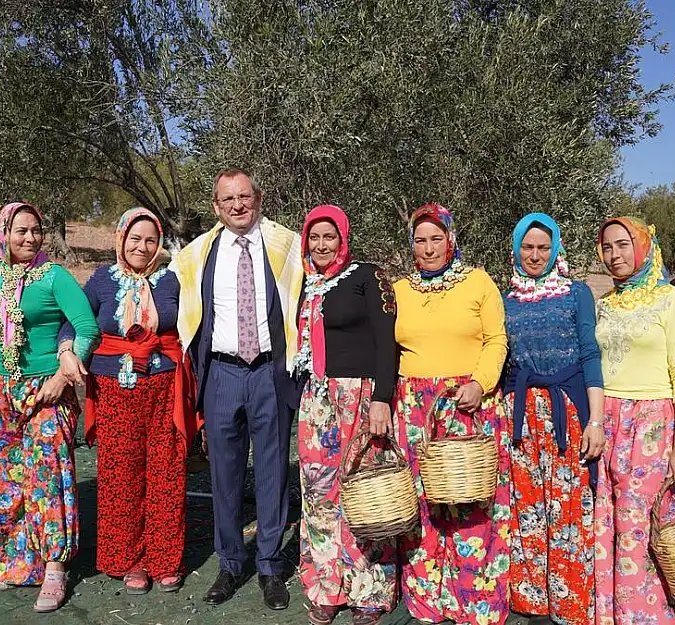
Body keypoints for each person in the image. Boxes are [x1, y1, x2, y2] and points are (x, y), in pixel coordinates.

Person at [168, 168, 304, 610]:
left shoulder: (287, 246)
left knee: (272, 472)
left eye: (244, 196)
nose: (237, 205)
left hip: (270, 372)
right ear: (216, 207)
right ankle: (229, 565)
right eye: (228, 199)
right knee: (223, 476)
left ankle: (269, 566)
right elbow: (164, 294)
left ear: (258, 198)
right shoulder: (196, 254)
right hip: (222, 375)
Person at [60, 208, 198, 594]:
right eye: (135, 239)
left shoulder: (171, 281)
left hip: (162, 387)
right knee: (121, 475)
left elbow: (191, 323)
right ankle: (130, 559)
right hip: (114, 389)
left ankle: (164, 559)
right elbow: (75, 320)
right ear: (121, 239)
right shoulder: (102, 280)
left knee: (166, 473)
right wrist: (66, 350)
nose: (142, 247)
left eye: (150, 240)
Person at [0, 202, 99, 613]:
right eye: (20, 230)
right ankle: (14, 561)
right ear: (2, 234)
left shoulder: (55, 277)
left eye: (36, 230)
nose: (30, 238)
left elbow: (87, 327)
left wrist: (63, 376)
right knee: (5, 477)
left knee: (48, 477)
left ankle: (54, 568)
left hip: (46, 387)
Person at [391, 203, 510, 625]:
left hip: (467, 402)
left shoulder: (478, 282)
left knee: (470, 500)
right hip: (414, 409)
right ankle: (427, 598)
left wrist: (480, 383)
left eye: (435, 238)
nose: (428, 248)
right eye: (420, 240)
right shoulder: (401, 289)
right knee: (423, 503)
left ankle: (476, 601)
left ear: (451, 239)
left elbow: (496, 339)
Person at [293, 205, 398, 625]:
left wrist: (382, 399)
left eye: (329, 237)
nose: (321, 245)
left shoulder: (366, 276)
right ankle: (326, 587)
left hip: (360, 395)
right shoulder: (306, 283)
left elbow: (386, 341)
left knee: (361, 492)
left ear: (343, 239)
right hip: (317, 399)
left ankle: (369, 590)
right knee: (319, 494)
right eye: (314, 237)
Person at [592, 216, 675, 625]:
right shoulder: (604, 304)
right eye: (607, 247)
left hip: (653, 424)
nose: (615, 255)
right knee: (611, 521)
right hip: (610, 420)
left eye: (623, 245)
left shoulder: (672, 301)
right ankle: (615, 613)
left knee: (643, 527)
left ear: (643, 246)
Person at [502, 213, 605, 625]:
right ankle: (531, 601)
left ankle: (570, 603)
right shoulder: (505, 297)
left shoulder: (576, 293)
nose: (535, 255)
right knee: (525, 506)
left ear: (556, 249)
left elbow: (589, 353)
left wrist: (595, 420)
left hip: (569, 411)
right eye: (527, 247)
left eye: (543, 247)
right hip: (522, 416)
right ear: (515, 249)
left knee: (569, 508)